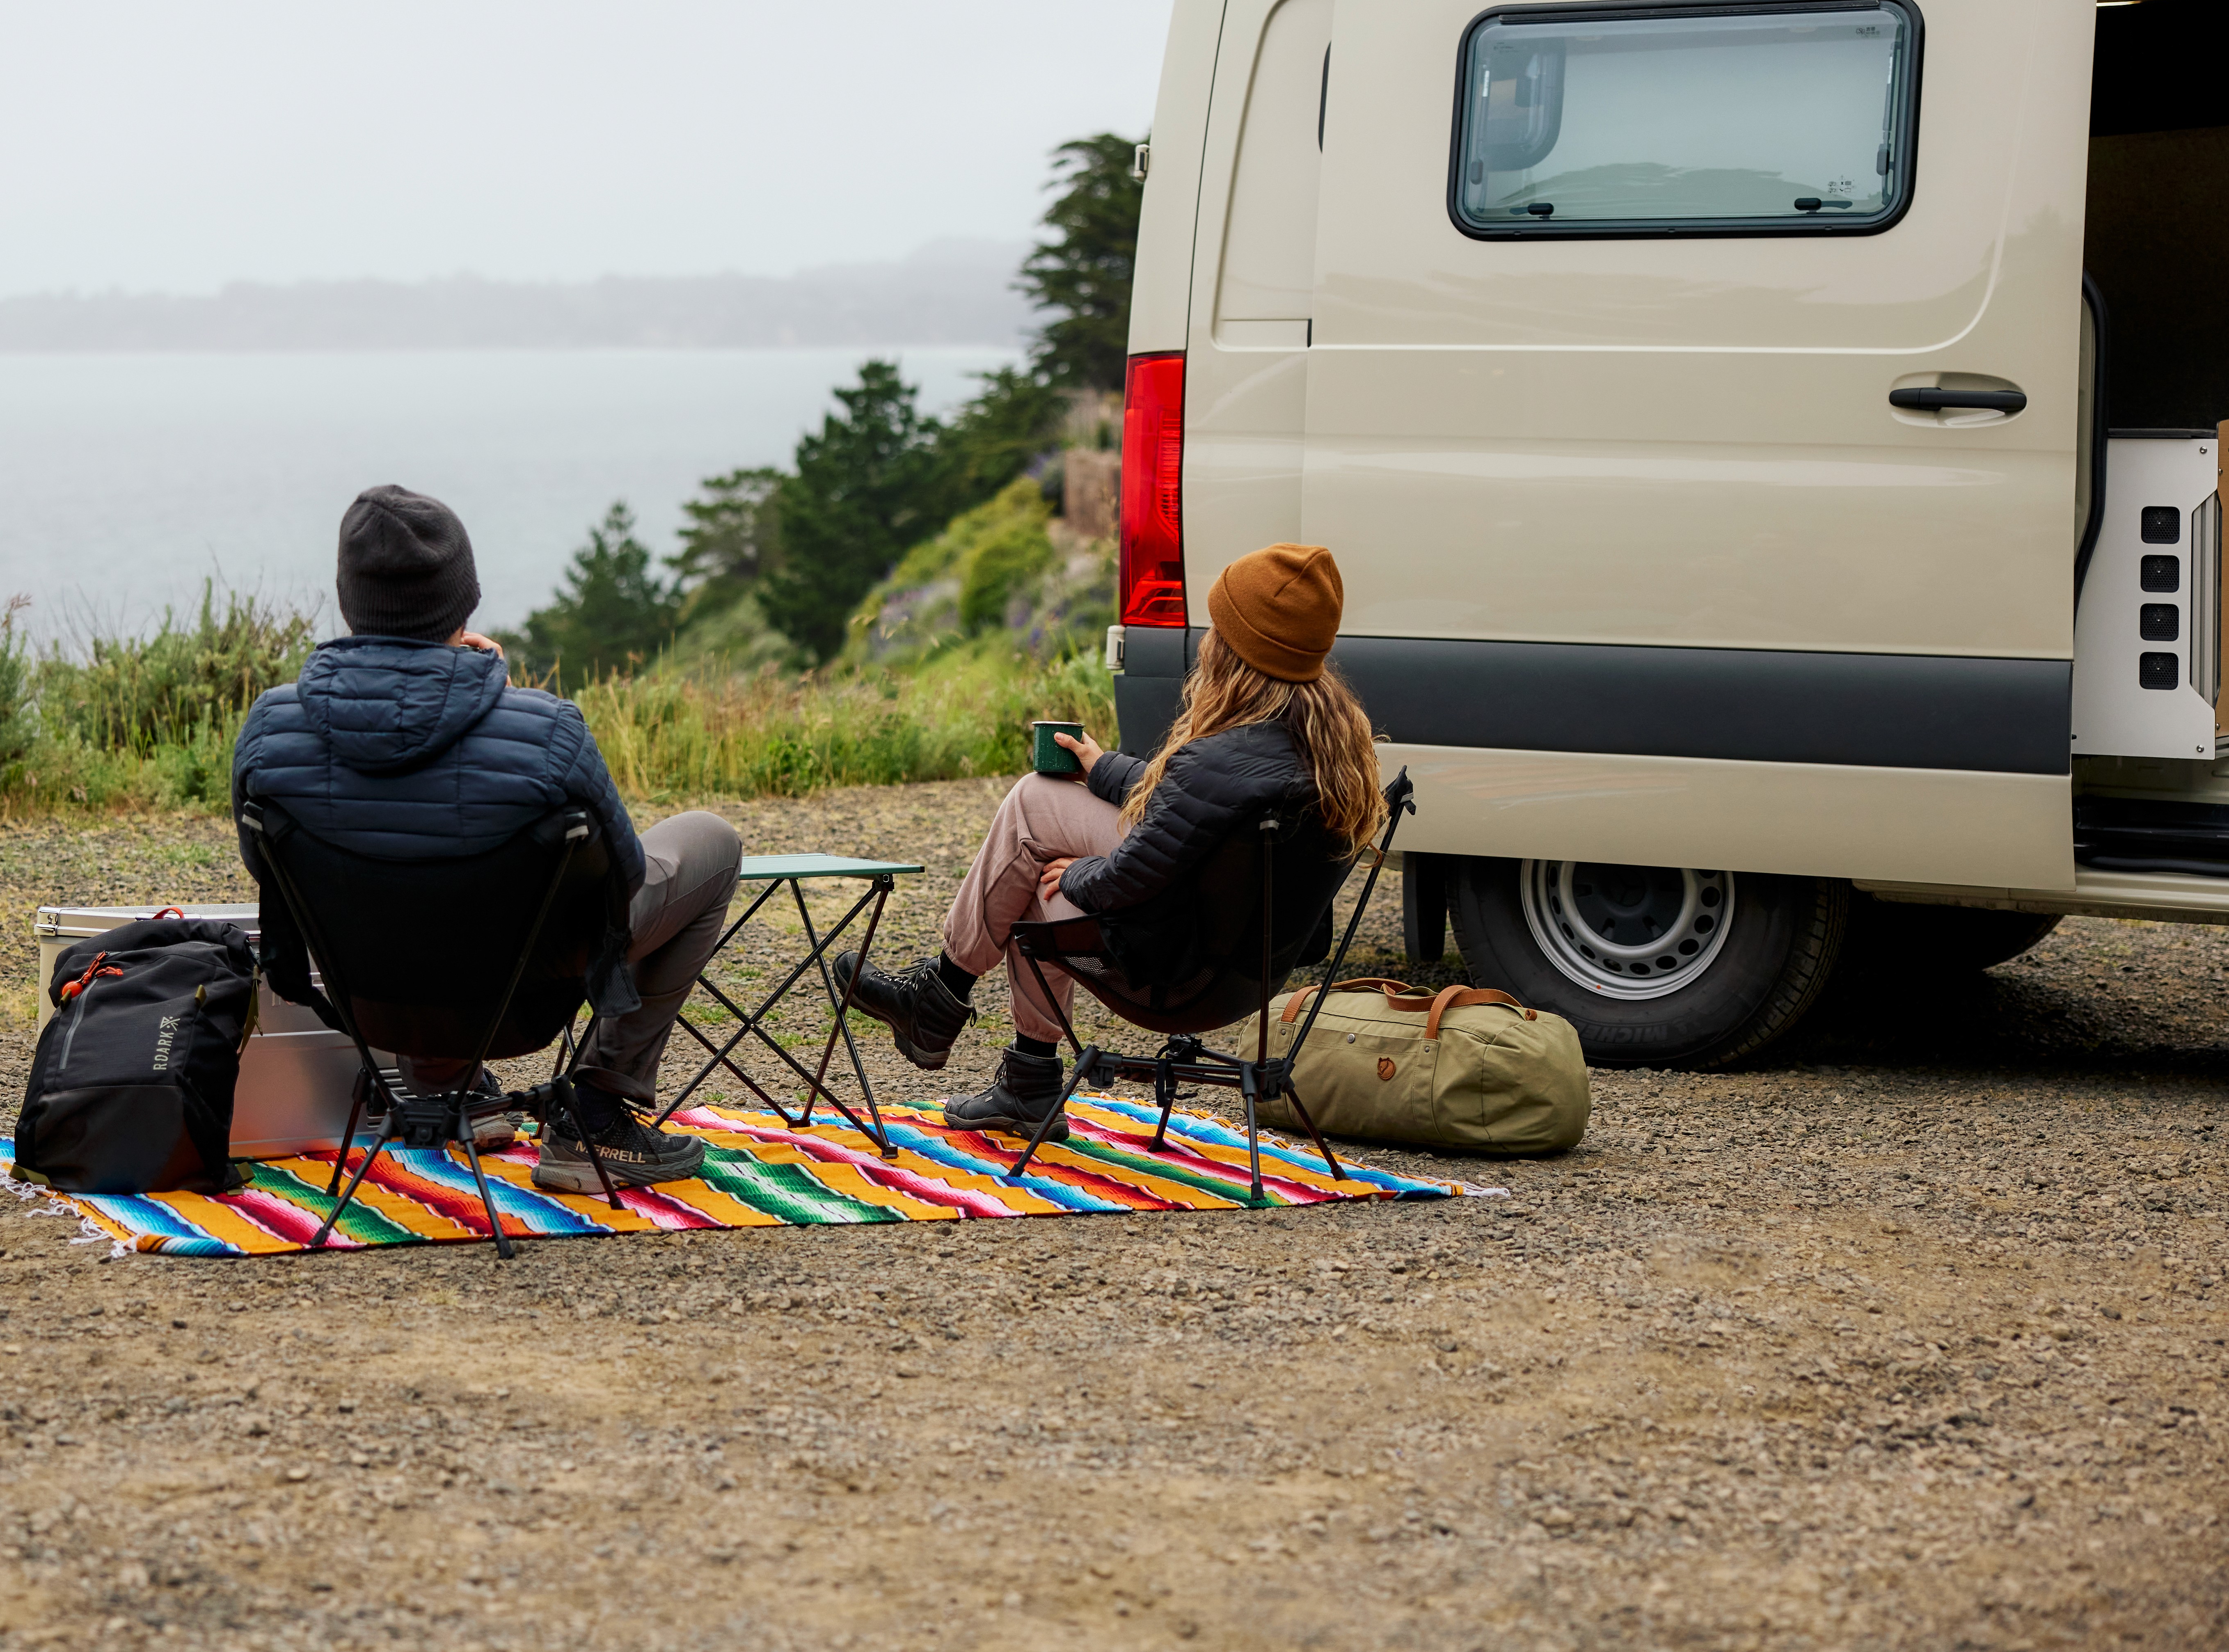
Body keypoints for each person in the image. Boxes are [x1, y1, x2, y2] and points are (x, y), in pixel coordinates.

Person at [232, 485, 739, 1193]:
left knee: (390, 871)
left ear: (350, 600)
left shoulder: (270, 729)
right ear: (461, 602)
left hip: (376, 999)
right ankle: (594, 1113)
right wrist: (492, 691)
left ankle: (447, 1089)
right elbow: (620, 885)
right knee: (710, 840)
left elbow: (270, 872)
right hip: (523, 1001)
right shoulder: (546, 730)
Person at [836, 542, 1386, 1134]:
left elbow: (1130, 875)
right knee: (1036, 797)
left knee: (1032, 873)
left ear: (1239, 650)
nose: (1208, 641)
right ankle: (978, 1035)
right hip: (1242, 962)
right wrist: (1100, 768)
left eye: (1219, 628)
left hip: (1176, 971)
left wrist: (1071, 872)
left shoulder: (1214, 761)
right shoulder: (1330, 744)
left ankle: (963, 1021)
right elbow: (1189, 813)